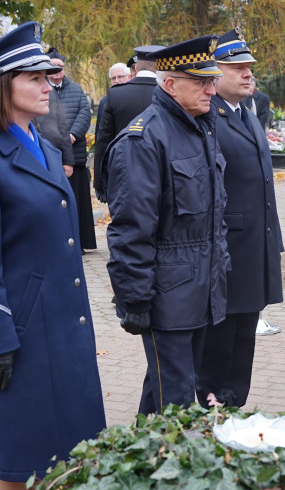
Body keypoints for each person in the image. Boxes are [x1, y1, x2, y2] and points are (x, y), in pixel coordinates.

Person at [0, 22, 106, 490]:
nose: (47, 84)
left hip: (64, 320)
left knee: (72, 436)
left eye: (49, 76)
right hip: (19, 328)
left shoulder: (47, 147)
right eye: (34, 77)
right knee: (19, 445)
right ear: (1, 87)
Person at [105, 35, 229, 415]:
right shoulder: (144, 139)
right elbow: (131, 228)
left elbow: (213, 215)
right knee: (173, 398)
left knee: (166, 387)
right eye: (201, 82)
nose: (212, 89)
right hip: (167, 296)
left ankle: (136, 464)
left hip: (202, 289)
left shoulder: (200, 127)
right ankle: (163, 468)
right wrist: (135, 298)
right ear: (170, 84)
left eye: (211, 80)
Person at [195, 28, 283, 408]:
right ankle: (212, 404)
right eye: (238, 68)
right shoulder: (208, 118)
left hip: (253, 247)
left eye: (249, 68)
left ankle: (233, 405)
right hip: (227, 248)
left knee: (244, 333)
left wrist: (273, 240)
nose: (248, 74)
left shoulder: (247, 114)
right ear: (215, 73)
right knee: (220, 337)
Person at [92, 45, 162, 202]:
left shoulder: (116, 94)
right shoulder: (171, 94)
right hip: (161, 174)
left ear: (135, 67)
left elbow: (103, 141)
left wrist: (100, 183)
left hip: (123, 175)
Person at [45, 52, 95, 252]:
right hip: (50, 150)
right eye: (53, 66)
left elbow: (85, 112)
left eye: (60, 66)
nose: (57, 70)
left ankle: (79, 243)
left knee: (76, 199)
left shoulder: (76, 89)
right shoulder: (42, 89)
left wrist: (71, 135)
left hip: (74, 153)